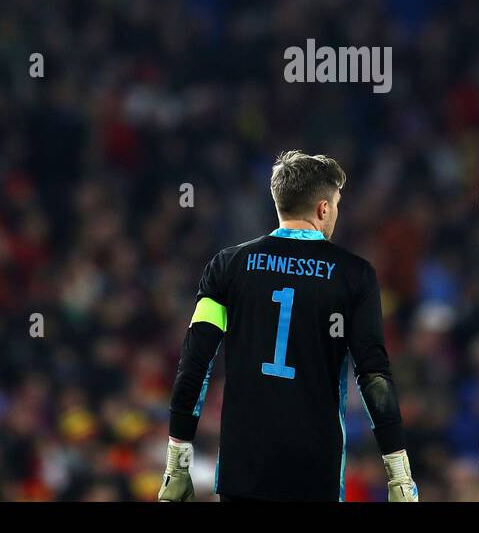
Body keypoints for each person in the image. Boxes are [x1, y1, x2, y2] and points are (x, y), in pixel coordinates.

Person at [158, 151, 418, 502]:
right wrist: (399, 476)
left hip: (243, 471)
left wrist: (177, 466)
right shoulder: (354, 276)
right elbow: (373, 376)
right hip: (314, 473)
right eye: (337, 204)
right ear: (323, 209)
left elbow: (194, 365)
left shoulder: (228, 266)